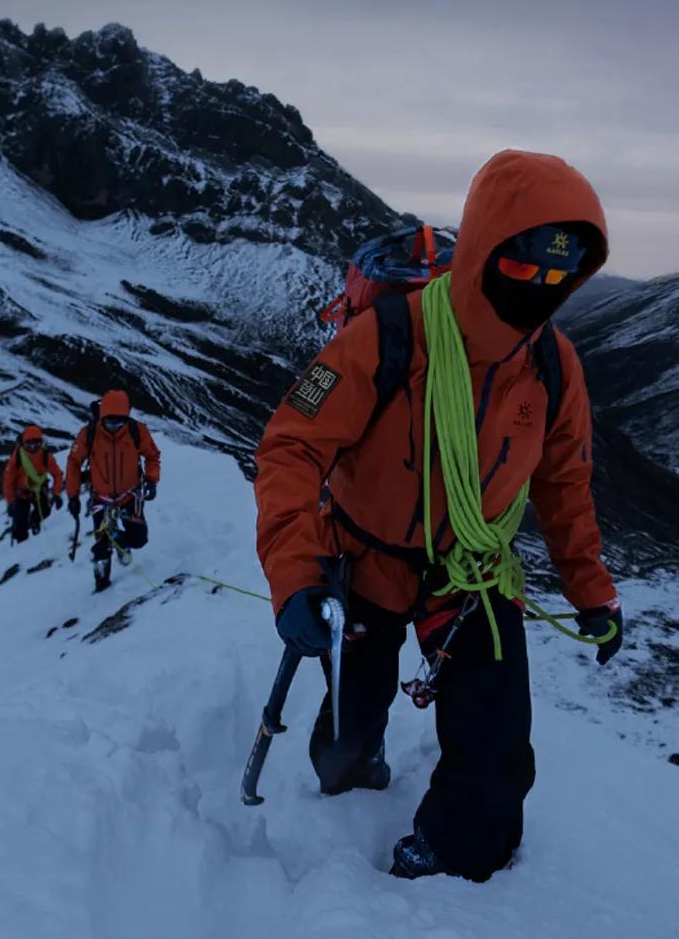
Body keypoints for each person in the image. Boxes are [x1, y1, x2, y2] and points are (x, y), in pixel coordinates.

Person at [254, 149, 623, 883]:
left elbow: (563, 482)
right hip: (363, 564)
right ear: (486, 251)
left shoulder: (554, 364)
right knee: (348, 734)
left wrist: (591, 588)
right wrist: (296, 577)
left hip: (475, 576)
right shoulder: (385, 337)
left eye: (561, 273)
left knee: (496, 742)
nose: (543, 287)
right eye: (523, 268)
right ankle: (351, 775)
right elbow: (293, 446)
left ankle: (455, 860)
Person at [66, 389, 160, 592]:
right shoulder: (89, 434)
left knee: (139, 539)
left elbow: (152, 455)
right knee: (101, 545)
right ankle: (101, 581)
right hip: (101, 497)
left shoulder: (137, 430)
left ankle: (120, 542)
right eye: (110, 422)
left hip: (130, 495)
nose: (115, 427)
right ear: (102, 417)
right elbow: (74, 462)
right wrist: (73, 495)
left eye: (120, 422)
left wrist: (152, 480)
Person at [3, 425, 64, 543]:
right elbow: (8, 480)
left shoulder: (46, 456)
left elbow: (57, 474)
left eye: (37, 443)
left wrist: (56, 493)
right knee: (20, 523)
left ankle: (34, 524)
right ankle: (21, 545)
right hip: (21, 493)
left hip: (40, 490)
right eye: (30, 443)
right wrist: (10, 502)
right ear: (24, 443)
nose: (33, 447)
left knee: (45, 510)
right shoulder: (17, 457)